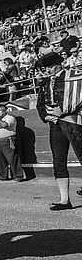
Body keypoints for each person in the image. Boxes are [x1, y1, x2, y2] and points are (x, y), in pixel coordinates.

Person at [35, 52, 82, 210]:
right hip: (55, 124)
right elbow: (40, 104)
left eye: (49, 67)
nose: (47, 70)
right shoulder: (45, 83)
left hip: (73, 122)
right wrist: (46, 116)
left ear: (57, 65)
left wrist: (63, 110)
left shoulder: (74, 77)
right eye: (45, 68)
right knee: (58, 161)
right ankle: (64, 200)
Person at [0, 104, 23, 182]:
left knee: (12, 158)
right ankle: (3, 176)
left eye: (0, 110)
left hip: (7, 140)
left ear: (5, 111)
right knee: (1, 160)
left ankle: (18, 176)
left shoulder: (10, 118)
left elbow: (4, 125)